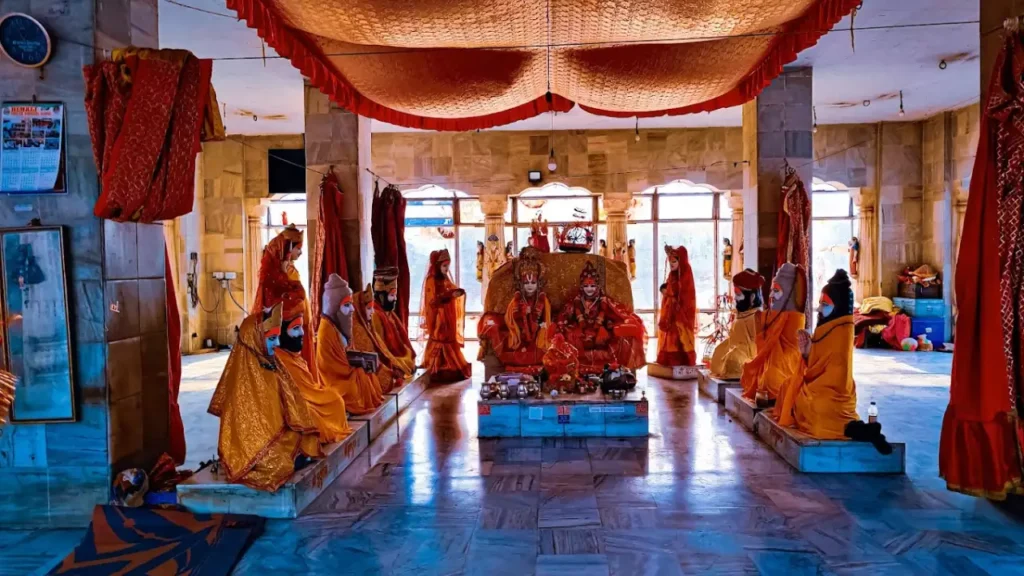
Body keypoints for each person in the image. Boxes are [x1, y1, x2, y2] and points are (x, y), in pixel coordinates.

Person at [208, 303, 323, 491]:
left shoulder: (271, 363)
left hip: (278, 435)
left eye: (277, 338)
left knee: (306, 436)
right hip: (253, 448)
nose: (277, 344)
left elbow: (289, 406)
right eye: (272, 339)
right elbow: (248, 434)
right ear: (254, 340)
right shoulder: (242, 378)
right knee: (278, 463)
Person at [775, 270, 891, 453]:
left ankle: (857, 430)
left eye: (825, 305)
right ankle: (859, 430)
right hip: (815, 386)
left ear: (839, 306)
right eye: (820, 304)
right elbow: (816, 364)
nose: (820, 309)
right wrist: (806, 353)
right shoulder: (827, 327)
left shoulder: (842, 330)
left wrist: (808, 356)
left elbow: (831, 375)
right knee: (786, 386)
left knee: (815, 408)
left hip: (832, 394)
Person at [274, 302, 351, 443]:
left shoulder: (294, 357)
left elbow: (311, 388)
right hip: (294, 405)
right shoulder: (277, 359)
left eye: (301, 327)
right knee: (311, 417)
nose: (302, 333)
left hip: (313, 397)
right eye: (296, 328)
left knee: (336, 400)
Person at [557, 260, 646, 372]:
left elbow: (612, 313)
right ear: (582, 286)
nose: (589, 289)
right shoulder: (577, 300)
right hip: (582, 329)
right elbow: (565, 315)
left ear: (597, 286)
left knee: (618, 337)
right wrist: (564, 325)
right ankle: (576, 367)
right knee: (568, 335)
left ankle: (614, 368)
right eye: (586, 286)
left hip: (599, 329)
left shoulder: (602, 299)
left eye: (592, 286)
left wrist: (606, 325)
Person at [316, 275, 385, 415]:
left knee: (369, 378)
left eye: (352, 304)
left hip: (347, 372)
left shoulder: (341, 326)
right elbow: (330, 368)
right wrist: (354, 370)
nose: (353, 309)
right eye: (347, 305)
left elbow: (349, 353)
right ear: (334, 307)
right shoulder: (326, 329)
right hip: (334, 379)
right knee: (354, 388)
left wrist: (360, 364)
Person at [740, 263, 807, 408]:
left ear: (789, 293)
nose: (770, 296)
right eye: (771, 290)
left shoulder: (795, 316)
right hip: (771, 359)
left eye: (776, 291)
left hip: (788, 360)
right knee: (758, 373)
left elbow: (789, 348)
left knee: (770, 378)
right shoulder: (773, 314)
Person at [252, 225, 315, 375]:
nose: (300, 252)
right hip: (285, 326)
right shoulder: (273, 275)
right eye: (298, 248)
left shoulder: (290, 270)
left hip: (298, 322)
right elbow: (277, 302)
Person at [479, 247, 552, 368]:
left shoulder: (542, 299)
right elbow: (510, 318)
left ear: (538, 284)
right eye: (526, 283)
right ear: (521, 284)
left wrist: (542, 326)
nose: (530, 286)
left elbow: (546, 319)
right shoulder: (517, 299)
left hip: (537, 334)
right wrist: (522, 313)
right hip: (519, 334)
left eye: (533, 283)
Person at [420, 250, 473, 382]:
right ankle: (438, 366)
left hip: (448, 314)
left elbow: (450, 288)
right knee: (440, 336)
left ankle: (451, 364)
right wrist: (450, 295)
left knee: (449, 336)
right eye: (444, 266)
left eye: (448, 265)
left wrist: (457, 292)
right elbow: (432, 301)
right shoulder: (431, 280)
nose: (447, 268)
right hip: (439, 316)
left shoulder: (445, 278)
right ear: (438, 266)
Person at [710, 269, 764, 380]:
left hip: (748, 354)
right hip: (734, 347)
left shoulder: (757, 316)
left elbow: (758, 345)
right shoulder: (741, 314)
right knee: (718, 352)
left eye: (738, 294)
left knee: (732, 360)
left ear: (752, 297)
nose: (735, 298)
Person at [656, 245, 697, 367]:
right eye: (670, 262)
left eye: (674, 262)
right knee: (671, 337)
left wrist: (670, 293)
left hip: (681, 312)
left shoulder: (686, 273)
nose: (671, 264)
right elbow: (670, 287)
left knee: (680, 336)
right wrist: (666, 290)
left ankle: (682, 360)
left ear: (681, 261)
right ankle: (670, 360)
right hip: (671, 312)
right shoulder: (672, 274)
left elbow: (687, 294)